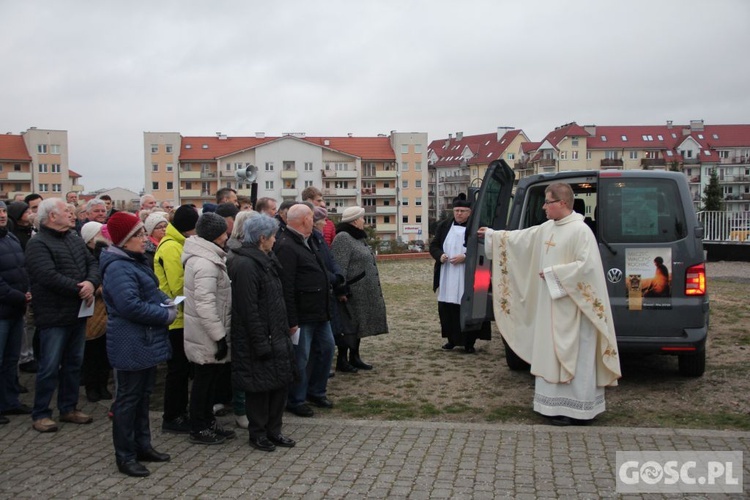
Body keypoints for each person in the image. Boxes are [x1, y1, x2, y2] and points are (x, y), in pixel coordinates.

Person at [478, 182, 621, 426]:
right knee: (550, 351)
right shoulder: (547, 228)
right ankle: (551, 405)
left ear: (563, 203)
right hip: (551, 307)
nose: (544, 207)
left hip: (575, 310)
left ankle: (578, 410)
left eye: (548, 202)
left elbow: (587, 269)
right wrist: (494, 236)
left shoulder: (581, 231)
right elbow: (522, 239)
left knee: (576, 356)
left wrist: (556, 274)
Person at [100, 211, 175, 477]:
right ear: (125, 239)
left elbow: (152, 290)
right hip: (129, 341)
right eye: (139, 234)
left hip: (144, 339)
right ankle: (125, 455)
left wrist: (166, 300)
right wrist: (165, 314)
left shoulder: (135, 261)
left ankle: (143, 445)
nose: (145, 238)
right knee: (127, 400)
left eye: (144, 233)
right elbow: (129, 305)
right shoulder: (118, 266)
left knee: (142, 397)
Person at [25, 198, 100, 432]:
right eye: (65, 211)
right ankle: (41, 413)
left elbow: (92, 263)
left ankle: (69, 408)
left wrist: (90, 281)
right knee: (49, 366)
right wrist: (81, 288)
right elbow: (46, 275)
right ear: (51, 216)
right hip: (53, 314)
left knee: (73, 364)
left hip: (77, 313)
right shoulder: (38, 244)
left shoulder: (74, 238)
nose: (71, 214)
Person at [229, 214, 297, 451]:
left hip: (275, 333)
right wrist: (260, 342)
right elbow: (248, 309)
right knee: (259, 388)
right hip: (259, 338)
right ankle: (258, 433)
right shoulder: (246, 264)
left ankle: (274, 430)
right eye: (273, 236)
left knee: (278, 384)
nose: (276, 240)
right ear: (261, 238)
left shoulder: (267, 259)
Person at [274, 204, 335, 418]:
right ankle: (296, 399)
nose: (315, 221)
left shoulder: (310, 240)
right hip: (302, 314)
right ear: (304, 220)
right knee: (301, 358)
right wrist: (292, 320)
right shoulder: (286, 246)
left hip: (320, 311)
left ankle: (317, 391)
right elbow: (286, 286)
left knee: (327, 350)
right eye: (311, 217)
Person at [182, 212, 236, 445]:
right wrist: (219, 337)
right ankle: (199, 427)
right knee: (204, 383)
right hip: (207, 335)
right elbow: (206, 306)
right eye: (224, 232)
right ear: (215, 235)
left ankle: (208, 422)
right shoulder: (205, 264)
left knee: (210, 381)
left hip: (208, 333)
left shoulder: (209, 257)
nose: (227, 236)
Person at [154, 204, 199, 434]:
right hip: (176, 318)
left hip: (180, 317)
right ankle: (173, 416)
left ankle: (180, 413)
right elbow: (178, 285)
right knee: (178, 371)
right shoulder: (171, 247)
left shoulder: (178, 243)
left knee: (181, 370)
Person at [330, 206, 389, 370]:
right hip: (352, 292)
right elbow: (339, 266)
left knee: (358, 325)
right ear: (355, 220)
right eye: (362, 218)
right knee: (348, 326)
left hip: (362, 291)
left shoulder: (357, 237)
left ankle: (354, 356)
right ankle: (342, 359)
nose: (364, 221)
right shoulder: (343, 238)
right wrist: (341, 290)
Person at [430, 194, 489, 354]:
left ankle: (469, 342)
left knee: (468, 307)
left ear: (469, 212)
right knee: (448, 308)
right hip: (447, 274)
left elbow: (484, 248)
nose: (459, 214)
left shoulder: (478, 227)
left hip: (468, 274)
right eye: (456, 210)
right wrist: (440, 255)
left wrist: (466, 256)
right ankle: (452, 340)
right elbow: (434, 245)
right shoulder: (444, 226)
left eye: (463, 211)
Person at [0, 201, 32, 423]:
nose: (2, 215)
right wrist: (19, 295)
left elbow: (22, 269)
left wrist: (27, 291)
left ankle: (9, 402)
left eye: (2, 210)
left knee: (11, 360)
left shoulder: (9, 237)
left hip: (15, 308)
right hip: (3, 308)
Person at [80, 222, 113, 403]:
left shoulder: (106, 252)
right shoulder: (84, 255)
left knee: (104, 350)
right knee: (92, 350)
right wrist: (97, 287)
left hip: (106, 308)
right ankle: (92, 386)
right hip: (91, 306)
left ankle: (102, 384)